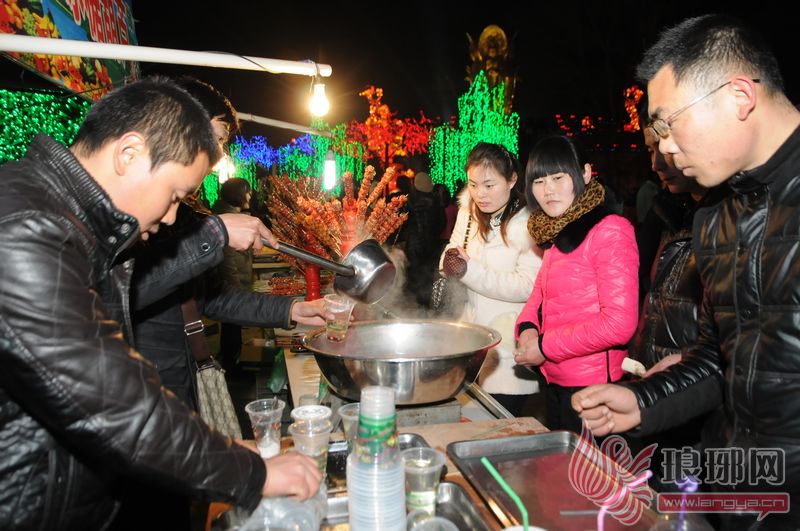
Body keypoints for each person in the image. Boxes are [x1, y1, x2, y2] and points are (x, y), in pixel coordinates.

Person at [0, 77, 321, 531]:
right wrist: (255, 473)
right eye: (173, 195)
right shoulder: (28, 230)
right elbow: (113, 404)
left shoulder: (73, 222)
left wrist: (227, 451)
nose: (171, 215)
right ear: (129, 153)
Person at [571, 14, 800, 529]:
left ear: (739, 95)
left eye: (669, 124)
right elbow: (721, 359)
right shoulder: (715, 218)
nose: (666, 149)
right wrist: (643, 401)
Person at [514, 135, 639, 432]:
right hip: (554, 380)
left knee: (587, 463)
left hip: (594, 388)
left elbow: (619, 323)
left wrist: (544, 346)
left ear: (584, 173)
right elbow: (539, 296)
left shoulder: (610, 230)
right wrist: (527, 329)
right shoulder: (556, 232)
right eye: (539, 181)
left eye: (558, 177)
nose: (548, 190)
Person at [628, 105, 713, 492]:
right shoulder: (663, 212)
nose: (659, 160)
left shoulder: (726, 217)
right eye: (650, 149)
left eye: (665, 144)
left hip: (699, 392)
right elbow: (649, 293)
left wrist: (691, 359)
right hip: (657, 384)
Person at [439, 142, 541, 416]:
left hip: (507, 347)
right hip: (468, 340)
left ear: (512, 180)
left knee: (499, 423)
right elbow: (450, 252)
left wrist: (469, 270)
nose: (480, 194)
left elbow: (528, 286)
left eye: (489, 185)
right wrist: (451, 263)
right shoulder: (467, 212)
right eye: (473, 185)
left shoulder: (529, 223)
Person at [212, 177, 256, 370]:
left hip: (236, 283)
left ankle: (231, 363)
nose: (250, 196)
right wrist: (237, 291)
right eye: (247, 192)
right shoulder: (227, 220)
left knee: (232, 329)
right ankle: (231, 367)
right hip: (232, 285)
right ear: (238, 195)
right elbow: (227, 261)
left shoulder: (233, 215)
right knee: (231, 330)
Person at [404, 171, 446, 307]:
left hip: (414, 245)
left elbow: (404, 224)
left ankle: (415, 306)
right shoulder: (435, 201)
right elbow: (442, 222)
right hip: (432, 245)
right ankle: (425, 304)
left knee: (414, 276)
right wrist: (433, 234)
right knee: (428, 276)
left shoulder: (409, 201)